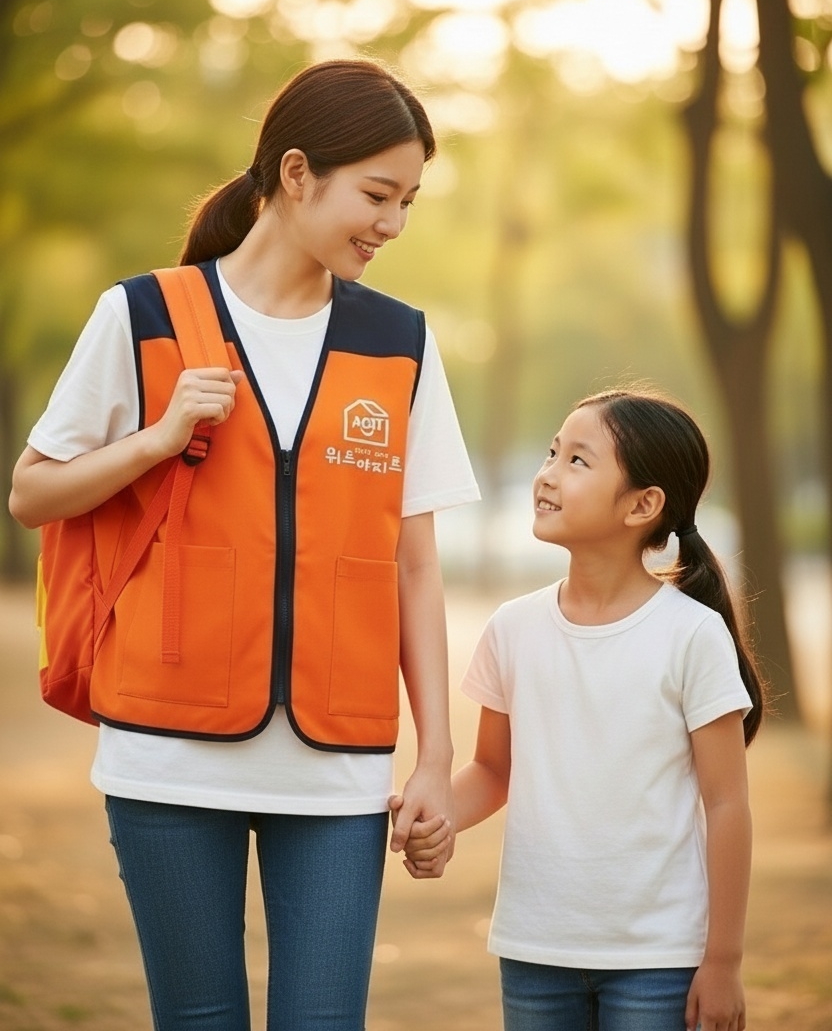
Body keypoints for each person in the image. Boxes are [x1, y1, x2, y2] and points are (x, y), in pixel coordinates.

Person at [9, 58, 480, 1031]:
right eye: (377, 195)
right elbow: (32, 492)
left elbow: (413, 562)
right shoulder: (140, 316)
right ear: (297, 172)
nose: (391, 224)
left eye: (408, 203)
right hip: (166, 757)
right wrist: (156, 438)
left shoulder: (400, 344)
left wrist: (435, 757)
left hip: (338, 760)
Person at [391, 388, 766, 1031]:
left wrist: (723, 960)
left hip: (659, 957)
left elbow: (726, 803)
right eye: (552, 452)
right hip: (535, 950)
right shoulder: (514, 628)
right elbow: (492, 770)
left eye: (578, 461)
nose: (548, 474)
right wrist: (437, 816)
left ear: (644, 505)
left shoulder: (692, 635)